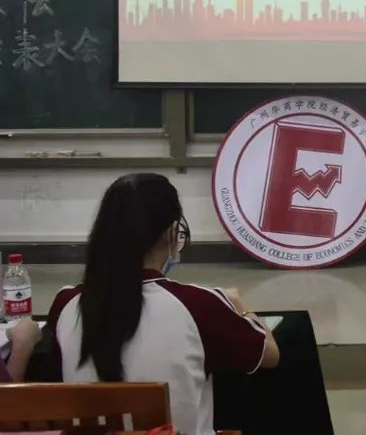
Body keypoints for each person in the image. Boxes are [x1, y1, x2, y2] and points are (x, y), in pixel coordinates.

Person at [44, 174, 280, 435]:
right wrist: (238, 303)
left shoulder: (66, 304)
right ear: (172, 232)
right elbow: (269, 355)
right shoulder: (199, 305)